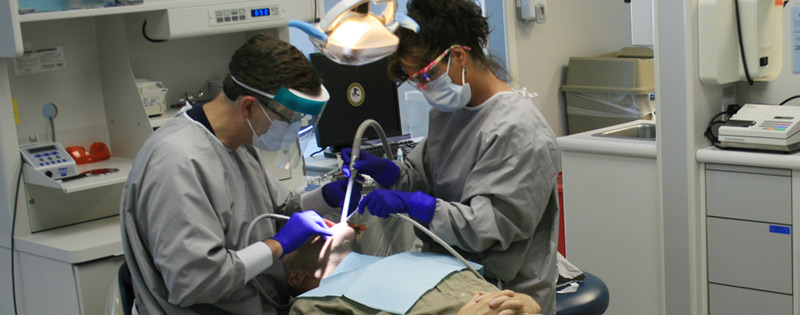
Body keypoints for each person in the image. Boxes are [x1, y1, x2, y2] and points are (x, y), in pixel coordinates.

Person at [340, 0, 561, 314]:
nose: (423, 87)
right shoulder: (450, 114)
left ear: (458, 55)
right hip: (449, 274)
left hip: (505, 294)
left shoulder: (519, 129)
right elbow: (426, 178)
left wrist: (418, 205)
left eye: (426, 76)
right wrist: (391, 174)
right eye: (414, 79)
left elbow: (489, 228)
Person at [120, 32, 363, 314]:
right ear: (248, 105)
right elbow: (195, 283)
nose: (295, 128)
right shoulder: (177, 162)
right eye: (289, 118)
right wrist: (279, 245)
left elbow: (276, 210)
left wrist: (327, 196)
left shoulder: (239, 144)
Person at [283, 223, 541, 315]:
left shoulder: (411, 259)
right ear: (295, 277)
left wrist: (527, 301)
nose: (317, 223)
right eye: (296, 237)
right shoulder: (310, 306)